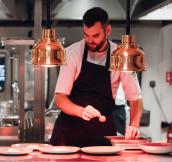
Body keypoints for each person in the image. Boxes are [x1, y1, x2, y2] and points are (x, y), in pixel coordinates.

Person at [50, 7, 143, 147]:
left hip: (101, 131)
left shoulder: (121, 56)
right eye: (86, 35)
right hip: (69, 132)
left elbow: (135, 98)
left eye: (95, 36)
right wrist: (81, 111)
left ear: (108, 30)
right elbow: (60, 99)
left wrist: (134, 125)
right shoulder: (72, 53)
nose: (90, 40)